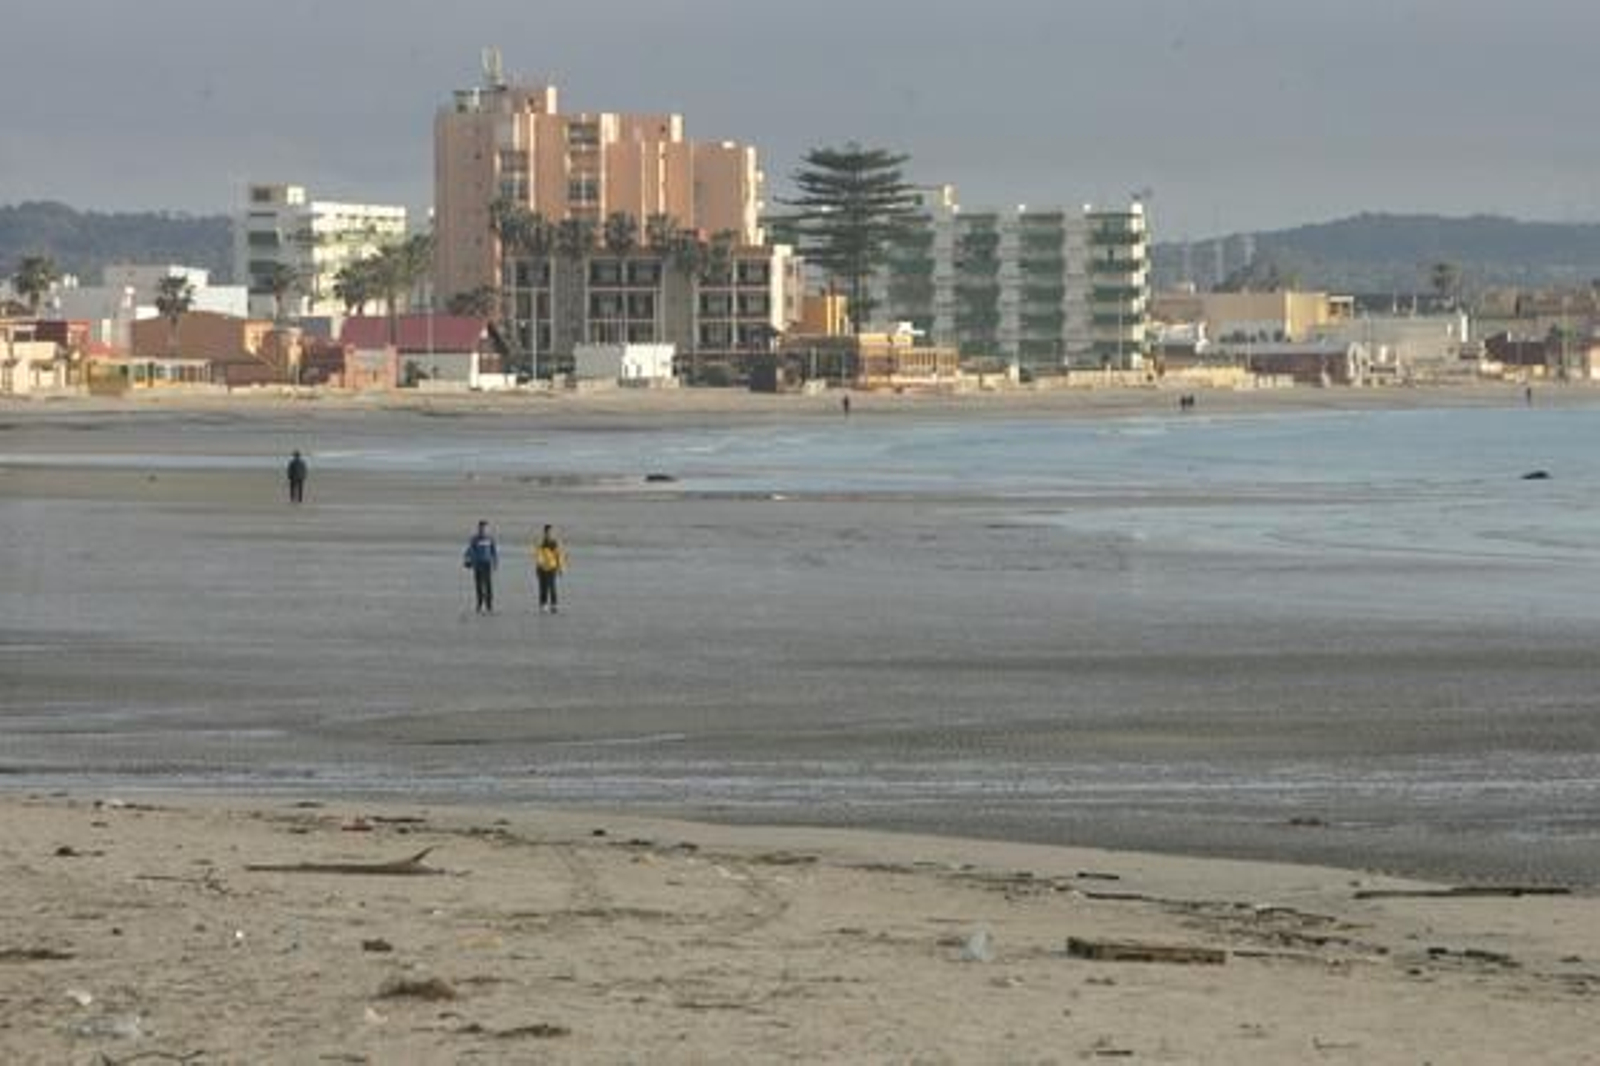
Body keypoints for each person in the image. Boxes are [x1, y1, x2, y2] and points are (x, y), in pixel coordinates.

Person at [463, 520, 499, 615]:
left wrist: (495, 562)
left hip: (487, 564)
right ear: (479, 528)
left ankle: (489, 605)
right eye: (481, 528)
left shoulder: (490, 539)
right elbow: (469, 550)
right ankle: (479, 603)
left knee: (488, 585)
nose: (483, 530)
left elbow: (493, 551)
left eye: (485, 528)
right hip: (477, 564)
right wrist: (467, 559)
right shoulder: (475, 539)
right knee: (478, 585)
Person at [533, 525, 567, 613]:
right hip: (542, 568)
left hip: (552, 567)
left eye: (551, 532)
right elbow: (537, 555)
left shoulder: (555, 543)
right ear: (544, 533)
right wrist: (539, 565)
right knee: (543, 587)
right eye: (548, 532)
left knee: (552, 587)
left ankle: (554, 605)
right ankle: (543, 604)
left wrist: (561, 567)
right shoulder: (541, 543)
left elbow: (559, 555)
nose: (549, 534)